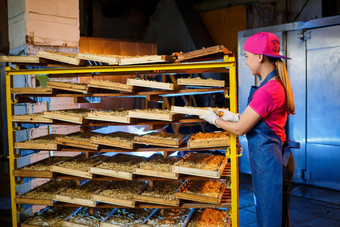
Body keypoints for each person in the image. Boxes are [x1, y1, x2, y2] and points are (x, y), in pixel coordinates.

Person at [199, 31, 299, 227]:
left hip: (271, 164)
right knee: (275, 218)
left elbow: (240, 129)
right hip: (273, 161)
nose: (245, 62)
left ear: (260, 57)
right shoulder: (273, 85)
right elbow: (260, 119)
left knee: (271, 221)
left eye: (247, 56)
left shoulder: (268, 90)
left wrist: (214, 120)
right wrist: (232, 115)